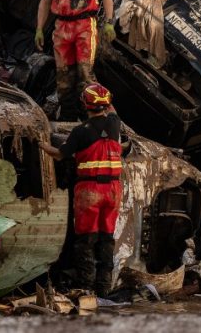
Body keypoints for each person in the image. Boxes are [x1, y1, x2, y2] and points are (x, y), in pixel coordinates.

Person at [40, 83, 122, 297]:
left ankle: (86, 287)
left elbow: (59, 154)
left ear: (85, 104)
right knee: (106, 239)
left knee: (85, 240)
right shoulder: (114, 124)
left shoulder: (80, 132)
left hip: (90, 190)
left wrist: (39, 143)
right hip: (113, 190)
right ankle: (104, 288)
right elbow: (111, 108)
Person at [36, 0, 116, 120]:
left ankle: (95, 118)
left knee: (85, 75)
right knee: (64, 79)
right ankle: (69, 119)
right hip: (62, 28)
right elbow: (45, 1)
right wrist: (39, 28)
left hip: (84, 26)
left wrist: (109, 23)